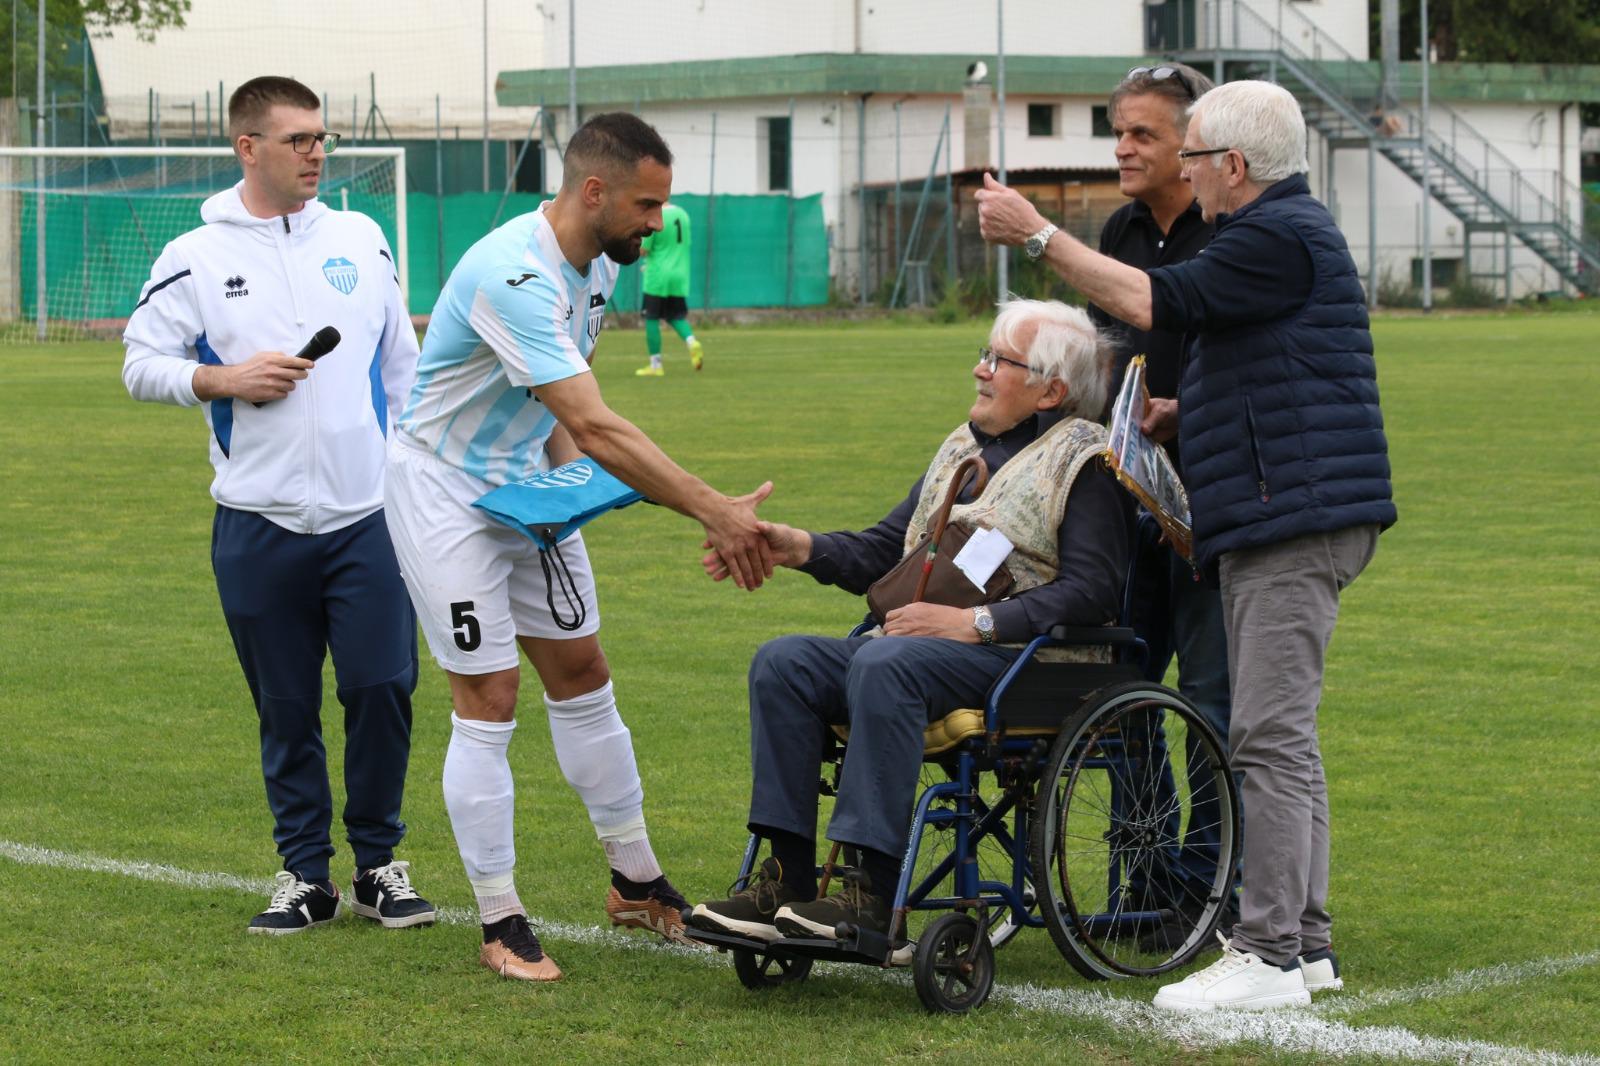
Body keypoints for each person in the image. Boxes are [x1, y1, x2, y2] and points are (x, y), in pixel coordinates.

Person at [977, 79, 1396, 1011]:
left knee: (1267, 736)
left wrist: (1039, 237)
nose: (1188, 172)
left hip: (1292, 519)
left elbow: (1153, 299)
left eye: (1195, 154)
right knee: (1284, 737)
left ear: (1232, 167)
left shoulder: (1274, 234)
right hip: (1285, 512)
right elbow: (1261, 367)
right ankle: (1309, 944)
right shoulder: (1278, 233)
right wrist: (1180, 412)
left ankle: (1269, 952)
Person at [384, 112, 774, 983]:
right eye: (647, 203)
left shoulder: (598, 263)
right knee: (489, 693)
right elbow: (597, 423)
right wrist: (715, 509)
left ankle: (635, 881)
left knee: (584, 671)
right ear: (592, 191)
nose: (657, 221)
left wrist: (567, 505)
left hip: (526, 484)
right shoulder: (512, 272)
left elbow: (563, 423)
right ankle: (500, 918)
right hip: (445, 492)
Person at [688, 299, 1130, 943]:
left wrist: (974, 623)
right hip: (925, 655)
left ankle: (868, 900)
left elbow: (1094, 592)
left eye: (998, 360)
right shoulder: (966, 446)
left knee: (883, 661)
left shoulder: (1085, 463)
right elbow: (887, 552)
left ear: (1051, 390)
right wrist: (798, 546)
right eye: (984, 353)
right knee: (784, 663)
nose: (978, 370)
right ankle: (784, 882)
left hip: (1032, 665)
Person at [122, 76, 434, 935]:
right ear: (246, 147)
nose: (316, 153)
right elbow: (139, 362)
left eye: (320, 137)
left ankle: (378, 865)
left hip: (367, 518)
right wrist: (221, 378)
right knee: (286, 707)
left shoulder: (362, 237)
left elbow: (403, 371)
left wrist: (406, 477)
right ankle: (306, 874)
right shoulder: (195, 254)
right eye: (296, 139)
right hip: (256, 526)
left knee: (383, 687)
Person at [1090, 62, 1237, 952]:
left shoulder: (1233, 231)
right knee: (1124, 696)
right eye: (1120, 131)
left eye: (1143, 133)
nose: (1123, 148)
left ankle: (1207, 886)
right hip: (1125, 504)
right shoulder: (1119, 228)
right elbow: (1102, 357)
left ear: (1194, 147)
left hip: (1214, 509)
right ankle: (1143, 884)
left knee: (1212, 708)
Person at [634, 200, 703, 376]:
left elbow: (644, 249)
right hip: (680, 274)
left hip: (657, 276)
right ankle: (691, 341)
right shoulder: (683, 215)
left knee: (651, 318)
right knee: (675, 315)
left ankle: (656, 365)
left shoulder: (655, 217)